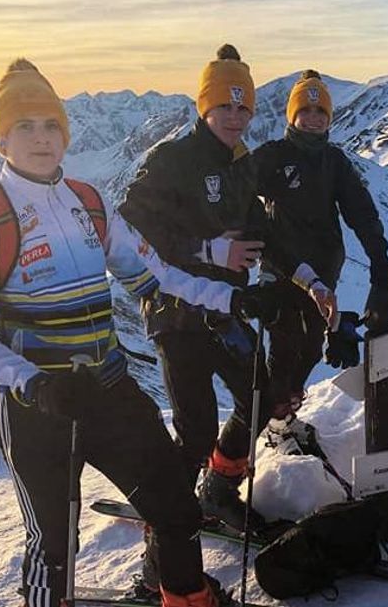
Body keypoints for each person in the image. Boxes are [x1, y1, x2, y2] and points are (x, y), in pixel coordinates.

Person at [0, 59, 269, 607]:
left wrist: (237, 296)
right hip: (38, 409)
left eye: (51, 127)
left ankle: (186, 597)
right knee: (54, 545)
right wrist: (33, 384)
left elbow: (157, 276)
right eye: (26, 127)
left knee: (176, 505)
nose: (42, 139)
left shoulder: (89, 204)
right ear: (0, 136)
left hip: (110, 391)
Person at [117, 45, 279, 597]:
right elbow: (130, 229)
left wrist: (298, 278)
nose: (235, 118)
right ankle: (160, 555)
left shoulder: (242, 163)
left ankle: (215, 492)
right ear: (203, 107)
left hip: (226, 310)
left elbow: (258, 226)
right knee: (194, 432)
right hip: (178, 314)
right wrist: (209, 250)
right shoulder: (173, 161)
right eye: (224, 107)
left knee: (263, 394)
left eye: (244, 109)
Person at [252, 69, 388, 431]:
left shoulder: (334, 162)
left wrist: (380, 260)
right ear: (293, 115)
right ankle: (274, 413)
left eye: (321, 114)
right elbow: (238, 195)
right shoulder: (274, 155)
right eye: (306, 112)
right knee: (284, 346)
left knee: (310, 348)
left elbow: (362, 213)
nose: (314, 120)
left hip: (324, 269)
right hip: (282, 269)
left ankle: (285, 412)